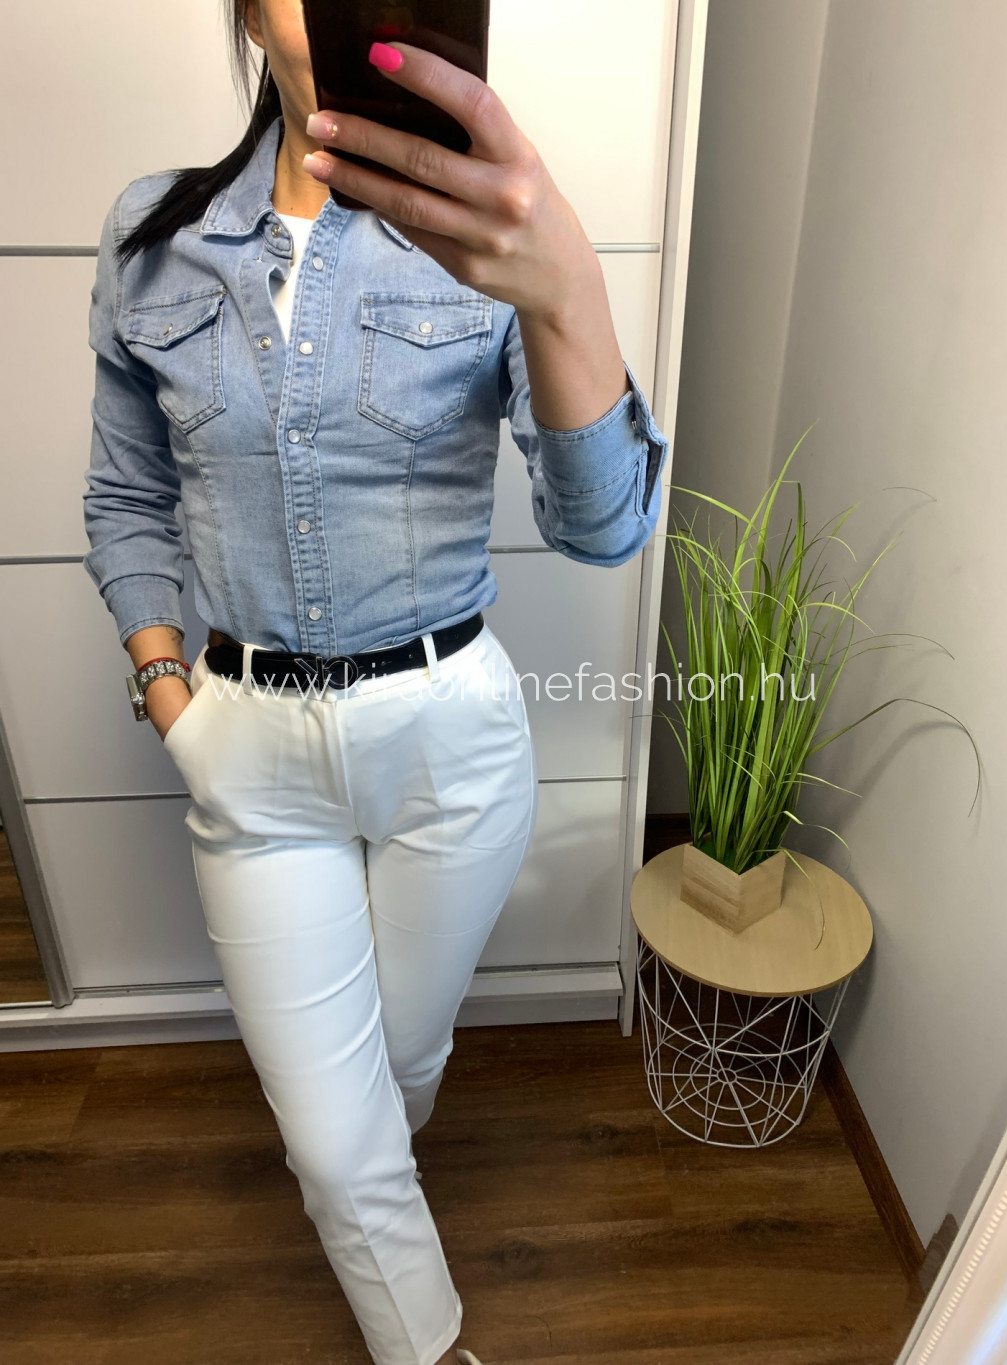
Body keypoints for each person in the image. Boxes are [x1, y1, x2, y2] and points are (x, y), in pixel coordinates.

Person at [82, 3, 669, 1363]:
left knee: (397, 1072)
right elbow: (124, 497)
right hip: (247, 755)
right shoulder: (152, 239)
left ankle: (375, 1196)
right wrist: (172, 700)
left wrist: (567, 288)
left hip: (448, 747)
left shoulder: (494, 231)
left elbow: (604, 528)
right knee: (335, 1148)